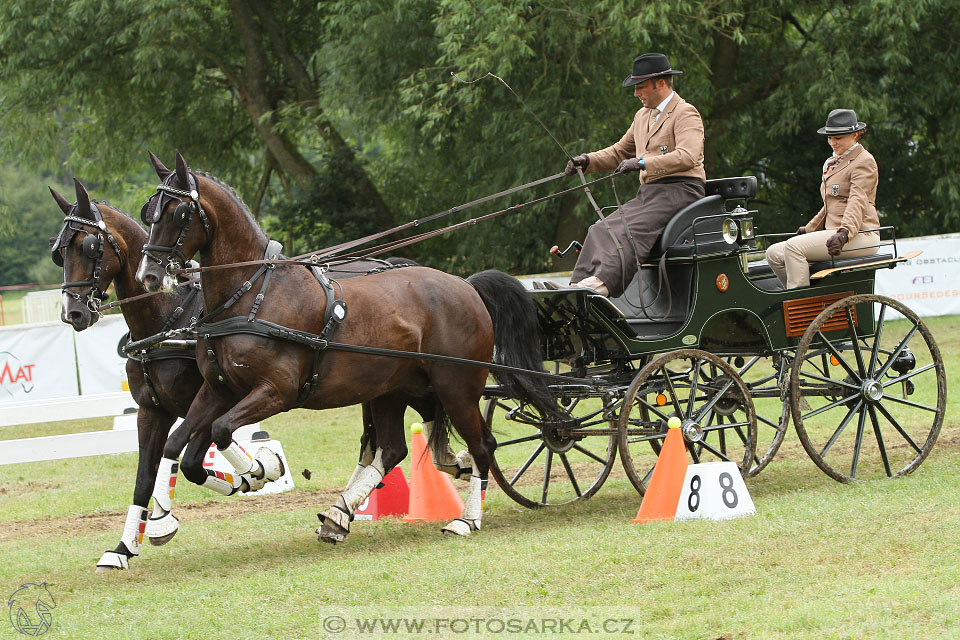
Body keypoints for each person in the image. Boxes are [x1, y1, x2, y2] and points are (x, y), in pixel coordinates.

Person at [554, 52, 706, 298]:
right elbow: (619, 152)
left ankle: (599, 288)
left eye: (640, 87)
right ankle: (576, 288)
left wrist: (643, 162)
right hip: (649, 194)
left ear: (660, 83)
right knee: (599, 229)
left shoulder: (685, 113)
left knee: (629, 230)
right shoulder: (642, 116)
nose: (636, 94)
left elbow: (688, 156)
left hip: (681, 191)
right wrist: (587, 160)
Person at [765, 108, 880, 289]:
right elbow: (830, 205)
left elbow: (857, 201)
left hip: (860, 234)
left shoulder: (864, 161)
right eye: (830, 137)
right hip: (834, 232)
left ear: (856, 135)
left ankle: (801, 302)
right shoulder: (832, 162)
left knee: (794, 247)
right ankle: (802, 295)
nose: (832, 142)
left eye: (838, 138)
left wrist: (844, 233)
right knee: (773, 253)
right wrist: (809, 229)